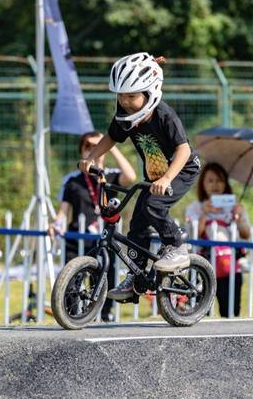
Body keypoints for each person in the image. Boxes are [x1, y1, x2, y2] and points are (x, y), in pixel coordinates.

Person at [78, 52, 201, 301]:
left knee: (154, 205)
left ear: (150, 92)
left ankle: (177, 247)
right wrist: (91, 157)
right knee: (138, 223)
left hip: (181, 169)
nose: (124, 101)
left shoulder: (165, 116)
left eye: (131, 96)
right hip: (154, 178)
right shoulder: (126, 120)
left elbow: (184, 149)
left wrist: (167, 179)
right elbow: (111, 137)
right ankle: (136, 278)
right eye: (120, 95)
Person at [49, 131, 136, 321]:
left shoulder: (111, 176)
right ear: (81, 149)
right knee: (73, 281)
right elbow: (64, 210)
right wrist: (56, 224)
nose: (93, 148)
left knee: (105, 277)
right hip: (78, 239)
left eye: (98, 145)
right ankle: (72, 315)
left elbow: (130, 177)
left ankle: (105, 316)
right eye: (88, 145)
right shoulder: (72, 180)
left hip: (105, 238)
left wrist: (111, 146)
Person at [185, 162, 251, 317]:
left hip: (230, 268)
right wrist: (203, 214)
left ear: (226, 183)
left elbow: (246, 234)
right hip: (201, 267)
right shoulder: (195, 207)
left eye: (220, 180)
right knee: (199, 313)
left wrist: (239, 217)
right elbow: (193, 235)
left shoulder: (235, 207)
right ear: (202, 183)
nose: (215, 185)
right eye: (210, 180)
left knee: (230, 313)